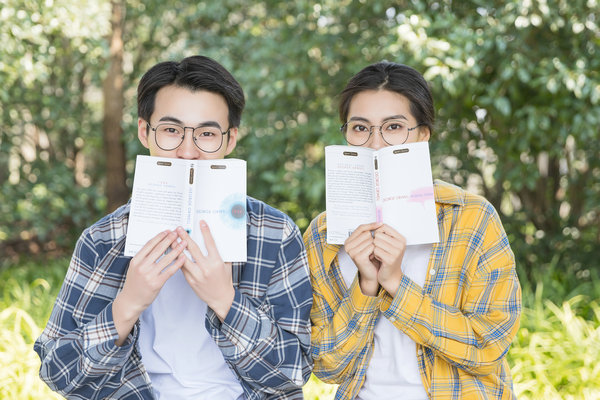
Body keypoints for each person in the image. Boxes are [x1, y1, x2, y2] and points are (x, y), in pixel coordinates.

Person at [34, 55, 313, 400]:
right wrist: (128, 304)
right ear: (144, 132)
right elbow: (58, 373)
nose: (187, 151)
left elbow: (295, 373)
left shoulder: (274, 233)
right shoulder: (103, 239)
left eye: (207, 134)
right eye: (171, 131)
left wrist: (226, 300)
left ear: (230, 140)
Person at [304, 61, 522, 399]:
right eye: (360, 128)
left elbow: (488, 347)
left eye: (393, 127)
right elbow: (328, 367)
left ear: (423, 135)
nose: (375, 144)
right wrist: (367, 284)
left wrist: (395, 283)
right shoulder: (323, 235)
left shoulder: (472, 218)